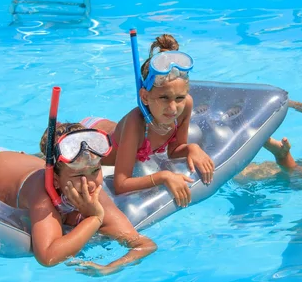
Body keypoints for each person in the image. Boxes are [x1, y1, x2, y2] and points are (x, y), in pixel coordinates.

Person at [0, 123, 157, 276]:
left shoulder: (92, 190)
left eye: (95, 171)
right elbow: (48, 257)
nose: (89, 183)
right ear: (55, 180)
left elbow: (144, 244)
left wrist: (112, 267)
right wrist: (94, 218)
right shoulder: (42, 194)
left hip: (27, 162)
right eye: (79, 175)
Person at [79, 34, 215, 208]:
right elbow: (121, 184)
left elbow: (174, 150)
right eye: (164, 98)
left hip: (112, 129)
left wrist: (192, 148)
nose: (173, 108)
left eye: (179, 97)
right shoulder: (136, 123)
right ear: (144, 96)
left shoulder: (186, 104)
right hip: (87, 137)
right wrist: (163, 176)